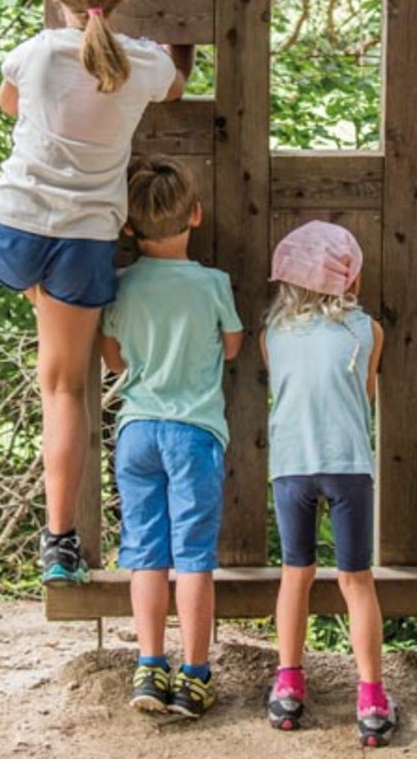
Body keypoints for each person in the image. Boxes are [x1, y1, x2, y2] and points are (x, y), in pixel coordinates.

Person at [0, 0, 194, 588]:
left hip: (14, 234)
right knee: (64, 390)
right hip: (85, 247)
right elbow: (177, 81)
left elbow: (7, 105)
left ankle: (33, 285)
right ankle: (60, 547)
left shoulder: (33, 54)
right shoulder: (143, 64)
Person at [98, 157, 242, 719]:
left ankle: (149, 665)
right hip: (194, 432)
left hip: (137, 430)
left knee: (146, 553)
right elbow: (232, 346)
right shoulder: (212, 284)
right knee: (195, 556)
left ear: (128, 226)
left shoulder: (121, 286)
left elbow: (113, 358)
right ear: (196, 215)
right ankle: (195, 676)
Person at [260, 222, 397, 747]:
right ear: (351, 278)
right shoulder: (367, 332)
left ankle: (288, 687)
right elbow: (366, 395)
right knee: (356, 580)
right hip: (349, 465)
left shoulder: (273, 334)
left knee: (296, 573)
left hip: (292, 465)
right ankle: (371, 701)